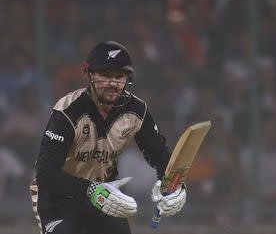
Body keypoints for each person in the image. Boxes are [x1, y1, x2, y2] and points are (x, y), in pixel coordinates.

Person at [29, 41, 187, 234]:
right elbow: (45, 172)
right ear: (90, 76)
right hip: (58, 200)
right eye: (105, 75)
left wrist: (173, 185)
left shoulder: (137, 111)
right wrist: (91, 190)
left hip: (104, 198)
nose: (112, 83)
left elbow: (159, 154)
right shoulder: (68, 110)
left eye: (119, 76)